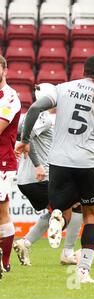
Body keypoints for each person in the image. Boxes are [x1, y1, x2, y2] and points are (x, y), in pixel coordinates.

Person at [15, 55, 94, 283]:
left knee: (63, 209)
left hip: (58, 163)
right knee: (90, 217)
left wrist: (25, 139)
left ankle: (58, 215)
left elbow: (36, 107)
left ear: (83, 71)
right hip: (88, 163)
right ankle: (83, 272)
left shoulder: (63, 88)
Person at [14, 103, 83, 266]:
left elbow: (21, 134)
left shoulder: (29, 117)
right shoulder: (43, 116)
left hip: (27, 180)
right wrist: (38, 164)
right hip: (40, 177)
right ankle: (67, 252)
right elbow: (26, 135)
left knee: (55, 212)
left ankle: (25, 243)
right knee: (74, 206)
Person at [0, 55, 21, 279]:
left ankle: (5, 263)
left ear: (4, 70)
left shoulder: (10, 97)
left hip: (2, 163)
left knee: (2, 212)